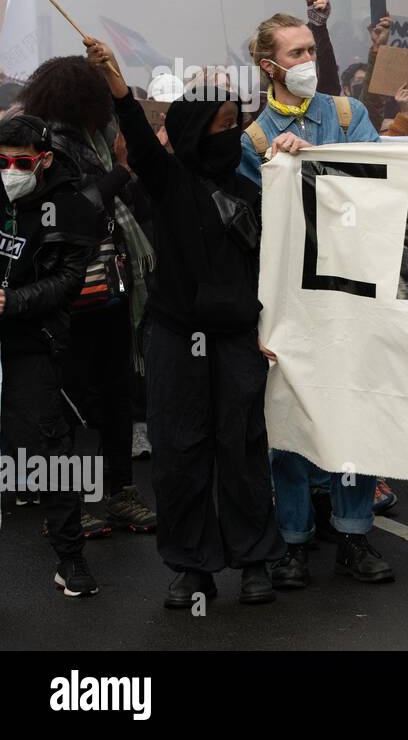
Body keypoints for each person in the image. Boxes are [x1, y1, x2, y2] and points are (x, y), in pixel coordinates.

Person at [86, 37, 285, 607]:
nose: (232, 134)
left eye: (237, 123)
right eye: (223, 124)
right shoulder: (169, 183)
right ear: (198, 129)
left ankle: (253, 560)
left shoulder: (254, 191)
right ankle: (192, 566)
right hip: (177, 338)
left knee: (243, 449)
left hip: (239, 340)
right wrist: (119, 86)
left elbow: (277, 269)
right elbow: (145, 145)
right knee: (180, 452)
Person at [237, 12, 395, 590]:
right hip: (290, 306)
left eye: (311, 51)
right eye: (297, 53)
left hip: (351, 296)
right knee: (291, 423)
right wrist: (279, 173)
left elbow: (380, 190)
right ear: (269, 66)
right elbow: (254, 230)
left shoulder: (349, 115)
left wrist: (318, 167)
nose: (309, 62)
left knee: (354, 415)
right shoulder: (252, 141)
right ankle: (295, 543)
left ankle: (354, 535)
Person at [15, 56, 158, 537]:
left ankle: (120, 491)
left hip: (109, 288)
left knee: (116, 393)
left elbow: (124, 205)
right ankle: (68, 507)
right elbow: (81, 209)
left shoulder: (94, 137)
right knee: (68, 402)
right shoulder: (49, 144)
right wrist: (120, 170)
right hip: (67, 293)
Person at [0, 114, 100, 596]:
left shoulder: (70, 207)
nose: (10, 170)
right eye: (1, 161)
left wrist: (12, 302)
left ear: (44, 160)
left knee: (51, 455)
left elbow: (68, 282)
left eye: (20, 162)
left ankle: (71, 559)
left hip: (31, 343)